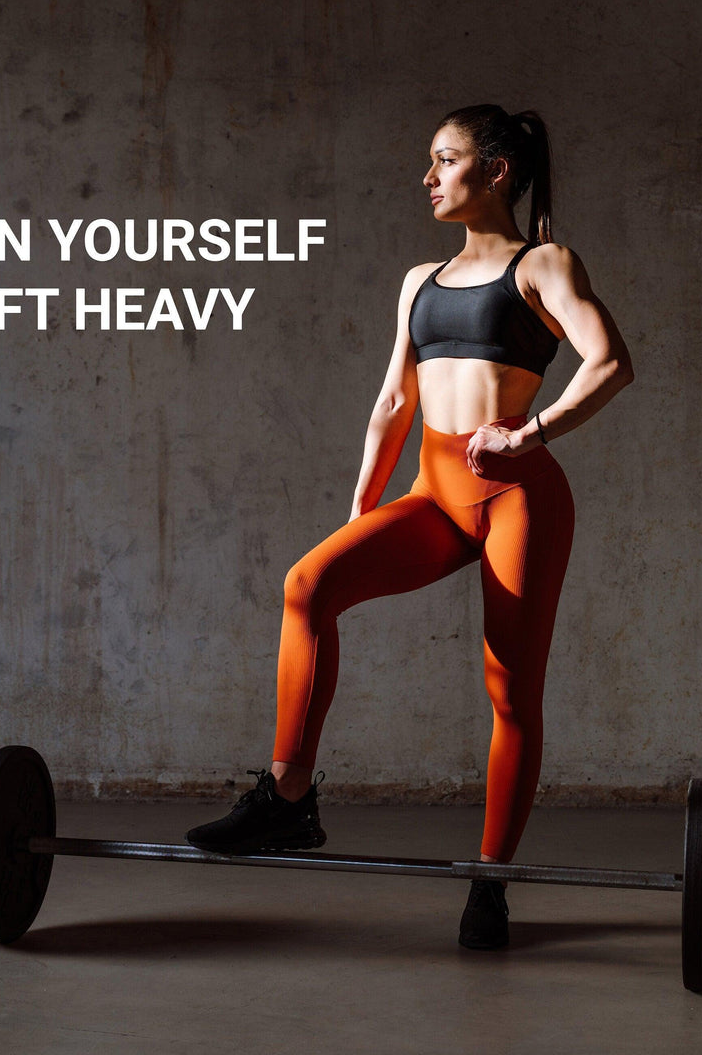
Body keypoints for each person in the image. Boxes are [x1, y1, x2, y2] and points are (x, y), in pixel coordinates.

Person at [186, 104, 634, 950]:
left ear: (495, 171)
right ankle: (287, 799)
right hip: (432, 493)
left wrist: (528, 435)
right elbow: (394, 399)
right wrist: (364, 505)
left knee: (509, 691)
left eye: (445, 159)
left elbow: (609, 361)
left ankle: (491, 880)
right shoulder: (418, 279)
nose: (428, 176)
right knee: (308, 584)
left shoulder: (544, 264)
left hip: (516, 498)